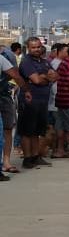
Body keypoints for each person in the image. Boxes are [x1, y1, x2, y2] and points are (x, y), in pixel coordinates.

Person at [17, 36, 58, 169]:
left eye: (38, 47)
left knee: (37, 131)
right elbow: (36, 80)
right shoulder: (26, 62)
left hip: (43, 100)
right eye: (33, 47)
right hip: (29, 101)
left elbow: (56, 76)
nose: (36, 49)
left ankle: (36, 156)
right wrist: (46, 77)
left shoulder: (44, 61)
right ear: (28, 48)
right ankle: (27, 158)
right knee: (27, 131)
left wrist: (43, 77)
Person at [1, 48, 32, 178]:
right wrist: (26, 91)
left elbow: (15, 75)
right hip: (5, 96)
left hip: (4, 95)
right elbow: (16, 75)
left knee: (8, 129)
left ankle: (6, 162)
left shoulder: (4, 56)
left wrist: (25, 90)